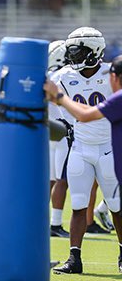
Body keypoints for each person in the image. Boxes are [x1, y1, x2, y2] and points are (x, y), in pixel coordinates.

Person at [44, 27, 122, 274]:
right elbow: (55, 114)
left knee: (116, 205)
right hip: (80, 147)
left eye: (79, 52)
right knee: (78, 205)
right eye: (72, 52)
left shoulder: (112, 74)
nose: (74, 58)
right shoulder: (62, 77)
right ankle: (74, 258)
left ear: (94, 51)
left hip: (109, 148)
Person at [47, 40, 70, 238]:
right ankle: (55, 223)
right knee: (61, 180)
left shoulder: (47, 76)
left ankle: (38, 220)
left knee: (50, 181)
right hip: (62, 133)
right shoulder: (63, 76)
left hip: (47, 133)